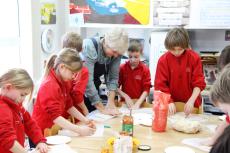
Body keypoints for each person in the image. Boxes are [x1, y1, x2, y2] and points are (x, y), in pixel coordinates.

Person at [32, 48, 95, 137]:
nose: (74, 77)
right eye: (73, 73)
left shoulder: (63, 80)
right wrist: (80, 130)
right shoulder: (50, 85)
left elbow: (69, 105)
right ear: (62, 67)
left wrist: (86, 120)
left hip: (52, 130)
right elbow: (55, 117)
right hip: (41, 133)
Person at [154, 28, 206, 116]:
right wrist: (169, 101)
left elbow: (198, 83)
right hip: (171, 106)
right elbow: (160, 85)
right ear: (168, 47)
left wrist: (191, 100)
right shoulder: (163, 60)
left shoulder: (194, 58)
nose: (177, 52)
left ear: (185, 46)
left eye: (180, 49)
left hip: (191, 105)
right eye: (173, 49)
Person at [0, 68, 48, 153]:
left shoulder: (16, 104)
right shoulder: (2, 108)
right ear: (8, 87)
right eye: (22, 95)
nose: (23, 99)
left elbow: (29, 123)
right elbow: (8, 140)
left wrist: (40, 141)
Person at [82, 28, 128, 115]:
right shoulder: (90, 47)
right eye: (114, 52)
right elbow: (87, 81)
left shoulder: (116, 52)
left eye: (118, 53)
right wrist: (102, 108)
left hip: (94, 86)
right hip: (79, 90)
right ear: (106, 43)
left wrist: (110, 102)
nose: (115, 55)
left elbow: (113, 78)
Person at [117, 39, 151, 109]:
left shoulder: (145, 70)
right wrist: (125, 96)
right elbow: (115, 87)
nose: (133, 60)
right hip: (125, 103)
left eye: (136, 57)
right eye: (130, 57)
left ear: (141, 54)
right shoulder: (122, 68)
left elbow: (146, 90)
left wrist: (138, 103)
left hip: (140, 104)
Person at [62, 31, 89, 116]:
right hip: (73, 113)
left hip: (64, 111)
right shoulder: (82, 70)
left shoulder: (57, 66)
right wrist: (85, 109)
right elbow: (76, 93)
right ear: (81, 50)